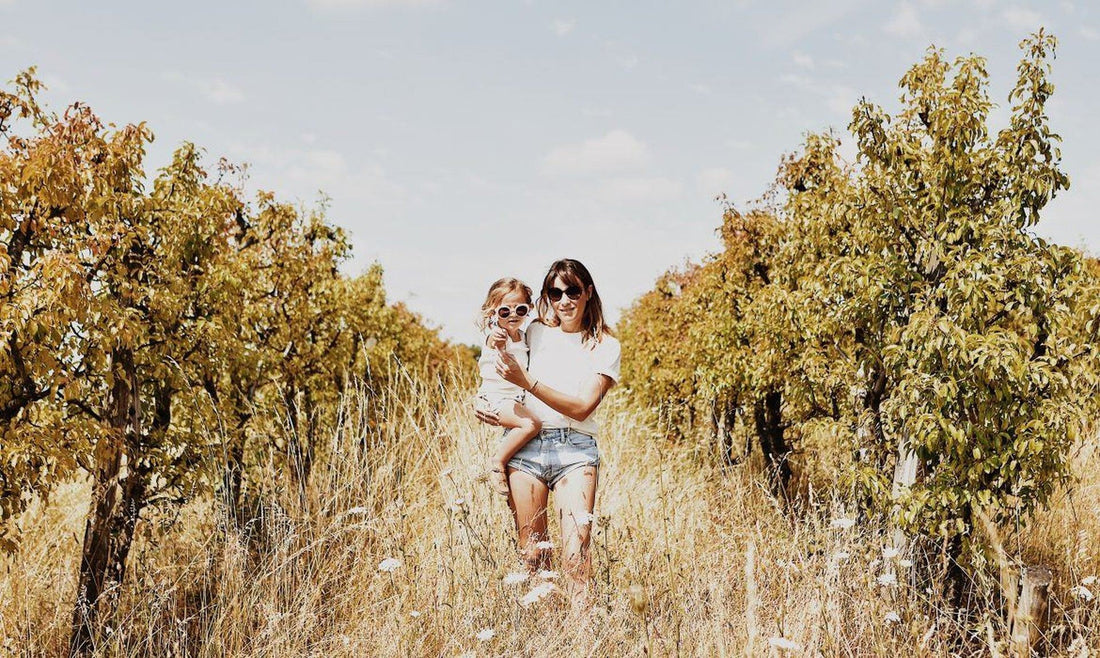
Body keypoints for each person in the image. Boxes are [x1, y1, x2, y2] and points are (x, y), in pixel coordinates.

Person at [476, 258, 620, 606]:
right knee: (534, 558)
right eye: (555, 293)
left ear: (587, 291)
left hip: (576, 450)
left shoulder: (604, 345)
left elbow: (583, 407)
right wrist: (479, 399)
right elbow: (497, 352)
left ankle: (584, 641)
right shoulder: (535, 331)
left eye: (572, 291)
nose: (564, 301)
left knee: (575, 558)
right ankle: (548, 638)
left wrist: (528, 382)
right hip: (527, 451)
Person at [474, 277, 543, 496]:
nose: (513, 315)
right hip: (496, 400)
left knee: (528, 426)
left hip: (513, 400)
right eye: (505, 311)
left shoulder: (523, 336)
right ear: (493, 313)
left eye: (520, 309)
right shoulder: (497, 335)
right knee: (531, 425)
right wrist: (496, 336)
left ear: (528, 309)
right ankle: (498, 462)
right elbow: (493, 341)